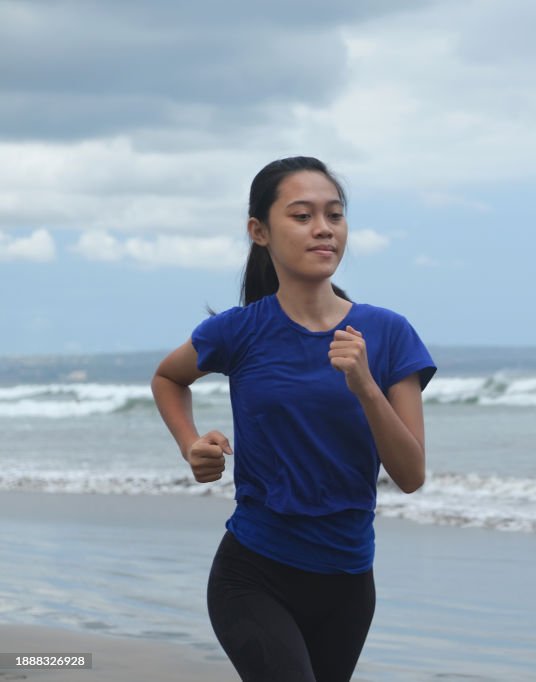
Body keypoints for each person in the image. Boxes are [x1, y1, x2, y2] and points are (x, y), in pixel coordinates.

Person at [150, 156, 436, 681]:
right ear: (259, 231)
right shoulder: (239, 331)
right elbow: (168, 378)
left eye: (335, 214)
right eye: (302, 216)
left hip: (348, 580)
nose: (323, 228)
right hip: (253, 572)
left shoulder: (389, 333)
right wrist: (190, 445)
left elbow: (412, 475)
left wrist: (366, 387)